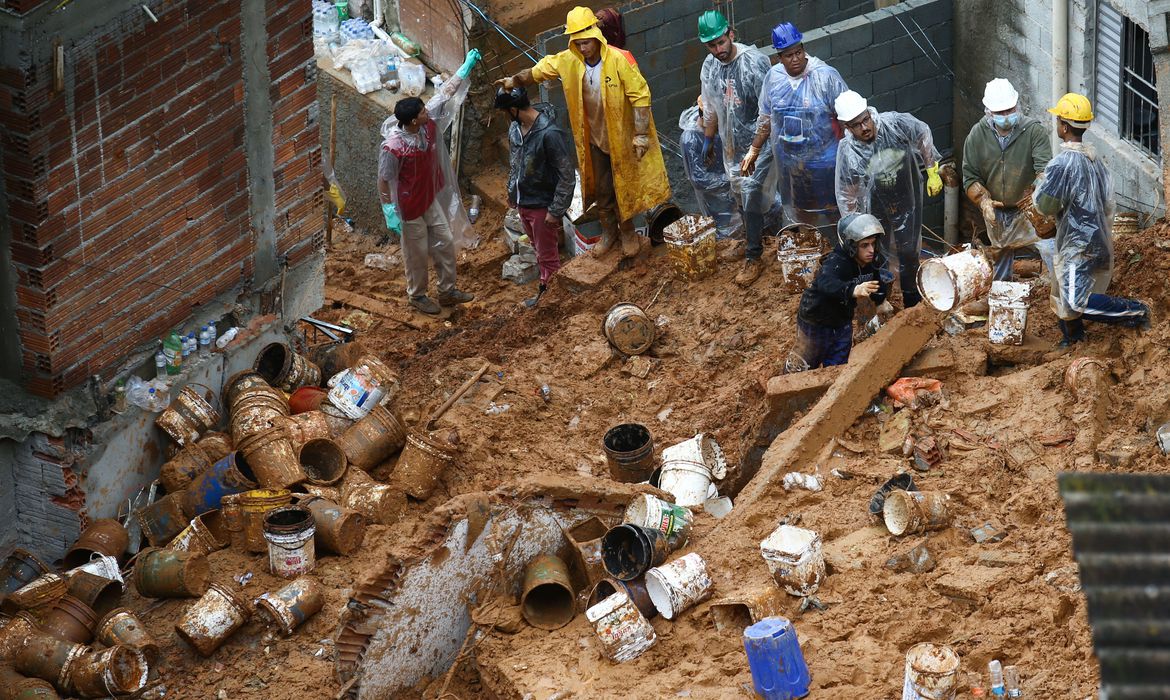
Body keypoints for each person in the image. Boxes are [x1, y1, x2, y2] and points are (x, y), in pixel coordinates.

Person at [496, 7, 671, 259]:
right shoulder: (570, 61)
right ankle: (609, 232)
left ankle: (628, 231)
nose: (583, 47)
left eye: (586, 42)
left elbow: (640, 96)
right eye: (577, 43)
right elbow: (541, 69)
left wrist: (641, 134)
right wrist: (515, 80)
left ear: (596, 36)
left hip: (622, 139)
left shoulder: (620, 59)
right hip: (595, 140)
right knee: (603, 190)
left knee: (625, 187)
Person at [1033, 93, 1149, 346]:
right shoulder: (1095, 160)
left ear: (1064, 126)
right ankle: (1073, 338)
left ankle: (1135, 310)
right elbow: (1108, 203)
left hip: (1078, 243)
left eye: (1058, 121)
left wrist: (1041, 185)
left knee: (1075, 301)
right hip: (1096, 237)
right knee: (1066, 289)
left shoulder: (1062, 164)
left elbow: (1043, 205)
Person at [378, 50, 481, 316]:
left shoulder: (425, 125)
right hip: (409, 207)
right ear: (413, 121)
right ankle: (418, 295)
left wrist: (465, 68)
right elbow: (384, 179)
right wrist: (389, 209)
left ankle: (447, 291)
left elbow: (445, 93)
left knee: (444, 241)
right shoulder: (393, 147)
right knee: (417, 253)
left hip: (428, 198)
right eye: (423, 111)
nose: (428, 111)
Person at [833, 90, 942, 308]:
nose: (865, 127)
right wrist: (853, 224)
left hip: (905, 197)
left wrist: (932, 170)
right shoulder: (848, 150)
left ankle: (912, 299)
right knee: (875, 253)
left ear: (870, 113)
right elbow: (847, 190)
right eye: (857, 125)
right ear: (847, 127)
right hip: (875, 208)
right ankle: (881, 299)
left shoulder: (894, 124)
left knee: (909, 250)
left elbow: (922, 132)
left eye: (866, 119)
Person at [742, 22, 848, 233]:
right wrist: (753, 150)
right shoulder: (774, 78)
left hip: (825, 162)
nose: (796, 58)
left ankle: (838, 247)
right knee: (800, 211)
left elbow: (847, 117)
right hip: (792, 165)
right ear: (779, 58)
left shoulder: (825, 76)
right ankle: (807, 247)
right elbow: (766, 117)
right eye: (789, 55)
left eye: (799, 52)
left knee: (833, 210)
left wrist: (850, 154)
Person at [697, 10, 777, 286]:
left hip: (760, 143)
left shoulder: (754, 64)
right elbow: (710, 107)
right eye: (711, 45)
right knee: (739, 194)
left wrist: (755, 150)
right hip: (732, 144)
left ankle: (754, 256)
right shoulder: (710, 66)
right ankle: (751, 239)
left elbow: (768, 113)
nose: (718, 49)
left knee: (752, 192)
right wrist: (708, 139)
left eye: (720, 42)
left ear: (730, 33)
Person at [962, 78, 1055, 286]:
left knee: (1048, 246)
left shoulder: (1033, 131)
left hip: (1029, 205)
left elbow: (1044, 169)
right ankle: (1002, 291)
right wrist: (983, 201)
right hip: (996, 207)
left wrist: (1038, 194)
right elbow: (970, 176)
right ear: (989, 112)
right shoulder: (977, 136)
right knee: (1001, 252)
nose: (1006, 116)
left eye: (1010, 110)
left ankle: (1056, 286)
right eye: (1000, 112)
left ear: (1017, 106)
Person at [496, 87, 577, 307]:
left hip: (542, 205)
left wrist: (556, 210)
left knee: (548, 256)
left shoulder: (549, 134)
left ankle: (553, 301)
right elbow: (515, 164)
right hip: (524, 203)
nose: (505, 116)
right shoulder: (516, 129)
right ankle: (549, 293)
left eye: (505, 111)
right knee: (539, 251)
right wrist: (512, 192)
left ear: (513, 109)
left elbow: (567, 176)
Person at [790, 213, 889, 370]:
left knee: (838, 363)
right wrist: (852, 289)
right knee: (805, 363)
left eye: (873, 243)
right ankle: (790, 388)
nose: (871, 250)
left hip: (842, 319)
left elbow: (875, 282)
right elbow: (825, 282)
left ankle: (832, 388)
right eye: (864, 245)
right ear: (851, 245)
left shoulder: (868, 261)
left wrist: (881, 300)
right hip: (816, 319)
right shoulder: (836, 262)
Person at [679, 97, 741, 239]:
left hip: (734, 187)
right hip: (715, 198)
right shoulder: (691, 139)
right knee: (725, 233)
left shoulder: (725, 129)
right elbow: (699, 179)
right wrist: (731, 179)